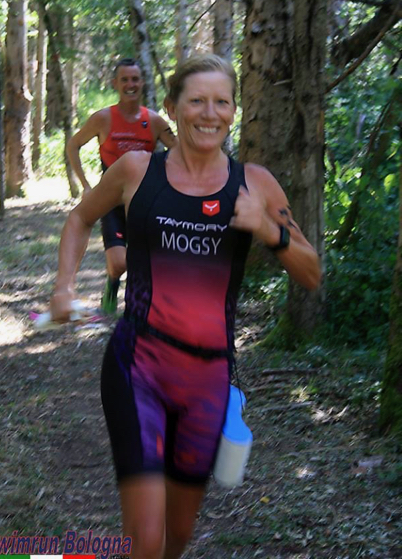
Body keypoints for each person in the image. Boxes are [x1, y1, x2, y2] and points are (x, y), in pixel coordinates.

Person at [50, 54, 321, 559]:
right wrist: (64, 287)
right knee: (147, 539)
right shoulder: (135, 170)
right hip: (139, 369)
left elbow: (311, 272)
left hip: (208, 383)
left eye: (222, 102)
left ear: (234, 111)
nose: (209, 113)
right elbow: (80, 218)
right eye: (197, 100)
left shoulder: (255, 184)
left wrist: (268, 229)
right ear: (173, 108)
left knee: (177, 534)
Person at [67, 58, 177, 313]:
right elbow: (73, 145)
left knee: (151, 259)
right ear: (115, 83)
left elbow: (181, 152)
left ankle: (140, 305)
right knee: (118, 263)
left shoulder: (155, 122)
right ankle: (113, 282)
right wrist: (85, 185)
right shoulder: (102, 119)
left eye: (135, 79)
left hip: (147, 201)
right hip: (111, 200)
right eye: (125, 79)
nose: (130, 84)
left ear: (142, 82)